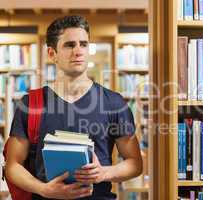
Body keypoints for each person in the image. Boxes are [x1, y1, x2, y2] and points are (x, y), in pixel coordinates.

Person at [5, 15, 143, 200]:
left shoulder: (113, 103)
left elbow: (135, 163)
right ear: (52, 53)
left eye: (83, 44)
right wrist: (43, 189)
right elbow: (13, 165)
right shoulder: (30, 103)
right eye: (70, 45)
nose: (78, 51)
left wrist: (103, 173)